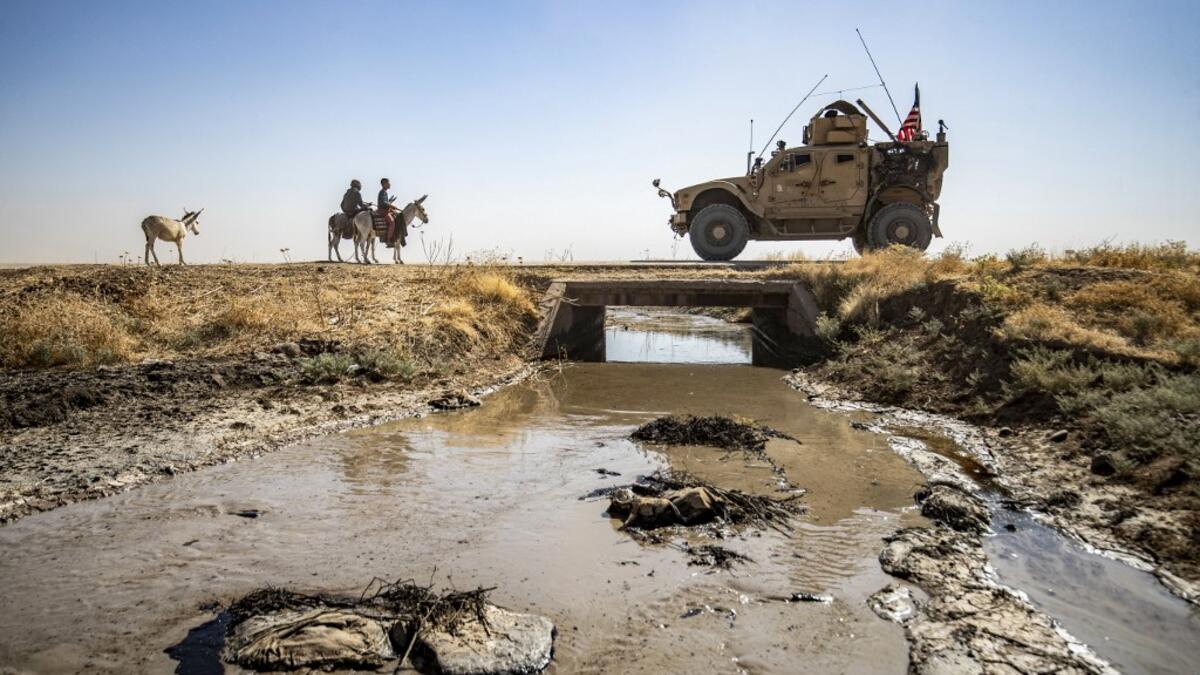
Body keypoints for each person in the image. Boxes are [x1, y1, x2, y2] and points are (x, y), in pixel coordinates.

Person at [378, 178, 399, 247]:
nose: (389, 184)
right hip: (383, 211)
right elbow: (384, 203)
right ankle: (388, 240)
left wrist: (391, 208)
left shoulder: (384, 192)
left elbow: (386, 203)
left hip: (386, 210)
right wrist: (391, 205)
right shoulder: (382, 192)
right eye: (388, 183)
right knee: (392, 223)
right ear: (383, 184)